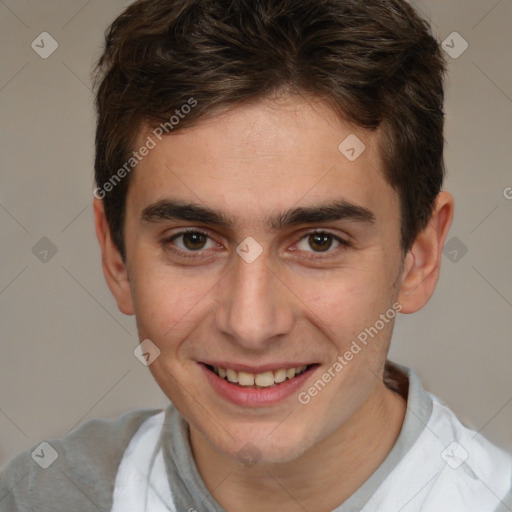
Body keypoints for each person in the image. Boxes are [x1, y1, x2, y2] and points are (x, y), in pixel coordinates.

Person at [1, 0, 511, 510]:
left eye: (319, 241)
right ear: (116, 256)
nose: (251, 324)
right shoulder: (41, 496)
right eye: (193, 240)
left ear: (418, 258)